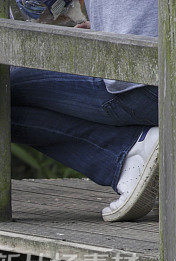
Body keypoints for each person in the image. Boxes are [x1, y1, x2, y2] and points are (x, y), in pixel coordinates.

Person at [11, 0, 159, 221]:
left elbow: (38, 6)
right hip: (157, 72)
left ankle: (127, 153)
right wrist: (109, 23)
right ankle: (136, 152)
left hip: (150, 86)